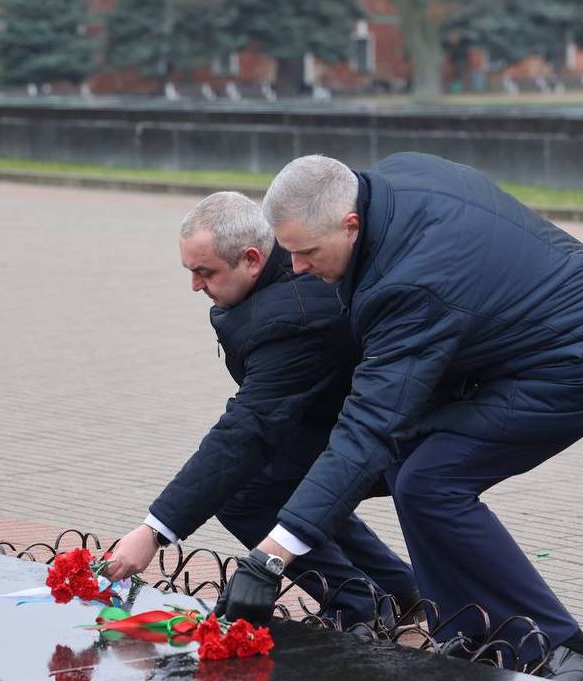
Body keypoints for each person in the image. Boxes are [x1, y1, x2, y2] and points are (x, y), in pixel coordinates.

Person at [215, 154, 583, 679]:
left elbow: (370, 424)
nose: (297, 268)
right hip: (547, 342)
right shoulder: (392, 182)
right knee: (411, 466)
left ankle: (562, 648)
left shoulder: (408, 284)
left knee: (432, 481)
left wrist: (271, 556)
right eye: (290, 252)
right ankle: (462, 630)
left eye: (307, 253)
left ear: (349, 225)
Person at [104, 192, 418, 627]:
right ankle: (403, 592)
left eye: (204, 272)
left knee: (244, 491)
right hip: (346, 422)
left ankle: (360, 605)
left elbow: (246, 428)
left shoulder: (290, 318)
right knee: (282, 482)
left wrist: (154, 532)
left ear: (253, 258)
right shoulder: (284, 269)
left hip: (393, 436)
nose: (195, 286)